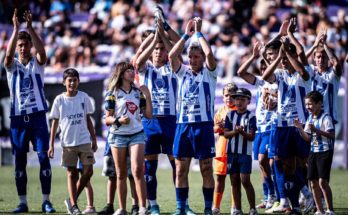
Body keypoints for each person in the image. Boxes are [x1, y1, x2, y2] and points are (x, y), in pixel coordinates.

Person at [4, 9, 55, 213]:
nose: (23, 48)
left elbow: (42, 53)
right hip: (17, 119)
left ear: (30, 46)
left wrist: (31, 28)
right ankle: (23, 202)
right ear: (17, 47)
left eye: (26, 45)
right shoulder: (11, 66)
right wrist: (16, 29)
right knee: (19, 162)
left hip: (38, 118)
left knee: (43, 157)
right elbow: (8, 56)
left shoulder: (37, 64)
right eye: (20, 45)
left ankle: (46, 201)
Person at [168, 17, 216, 215]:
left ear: (202, 59)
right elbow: (172, 55)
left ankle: (207, 208)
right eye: (190, 57)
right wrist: (186, 35)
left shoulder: (210, 74)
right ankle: (181, 208)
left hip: (203, 125)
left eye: (196, 57)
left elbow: (210, 53)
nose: (192, 60)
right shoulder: (182, 73)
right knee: (181, 169)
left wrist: (198, 34)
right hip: (183, 125)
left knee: (206, 168)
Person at [134, 16, 180, 215]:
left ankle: (181, 205)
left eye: (162, 49)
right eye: (155, 49)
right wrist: (155, 37)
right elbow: (137, 60)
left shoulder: (173, 67)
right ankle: (152, 205)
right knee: (149, 168)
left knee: (177, 166)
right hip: (150, 121)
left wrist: (163, 32)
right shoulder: (146, 69)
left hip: (171, 121)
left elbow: (178, 47)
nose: (158, 52)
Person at [262, 36, 311, 215]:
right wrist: (278, 57)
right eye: (282, 59)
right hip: (283, 126)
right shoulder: (280, 75)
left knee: (304, 164)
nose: (283, 62)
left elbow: (304, 73)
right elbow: (266, 76)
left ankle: (313, 195)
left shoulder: (303, 73)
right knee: (287, 166)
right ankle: (295, 205)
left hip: (300, 124)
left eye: (285, 59)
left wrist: (287, 53)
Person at [104, 62, 152, 215]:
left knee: (138, 170)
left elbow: (148, 115)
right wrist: (119, 120)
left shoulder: (138, 92)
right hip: (118, 136)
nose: (132, 72)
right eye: (128, 70)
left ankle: (143, 208)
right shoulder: (113, 93)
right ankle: (122, 208)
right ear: (121, 74)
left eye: (132, 70)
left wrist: (148, 96)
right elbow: (107, 119)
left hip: (137, 134)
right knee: (121, 174)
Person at [48, 68, 98, 215]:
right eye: (69, 80)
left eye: (75, 80)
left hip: (84, 141)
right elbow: (54, 123)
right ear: (64, 82)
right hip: (68, 143)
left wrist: (94, 138)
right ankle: (74, 206)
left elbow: (88, 119)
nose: (72, 83)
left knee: (88, 171)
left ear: (78, 81)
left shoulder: (84, 97)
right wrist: (51, 145)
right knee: (72, 174)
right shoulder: (59, 100)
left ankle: (71, 199)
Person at [237, 42, 277, 211]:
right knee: (262, 165)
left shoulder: (276, 83)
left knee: (268, 162)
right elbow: (241, 72)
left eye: (265, 67)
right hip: (260, 128)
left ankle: (280, 196)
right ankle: (268, 197)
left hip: (272, 127)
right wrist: (254, 56)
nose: (263, 71)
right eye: (261, 68)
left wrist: (264, 55)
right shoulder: (261, 83)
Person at [294, 91, 336, 215]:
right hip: (313, 152)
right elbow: (307, 138)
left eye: (310, 104)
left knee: (323, 182)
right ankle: (319, 210)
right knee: (312, 182)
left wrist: (317, 130)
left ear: (319, 104)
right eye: (306, 104)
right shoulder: (309, 118)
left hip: (325, 152)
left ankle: (330, 210)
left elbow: (332, 135)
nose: (308, 107)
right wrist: (300, 128)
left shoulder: (326, 117)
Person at [223, 88, 258, 215]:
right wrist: (236, 131)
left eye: (242, 99)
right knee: (234, 181)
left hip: (245, 153)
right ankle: (237, 209)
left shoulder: (252, 116)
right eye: (237, 98)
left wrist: (242, 132)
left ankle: (253, 208)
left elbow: (252, 137)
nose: (239, 102)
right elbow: (226, 134)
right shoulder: (229, 115)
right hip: (232, 153)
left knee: (245, 180)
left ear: (248, 101)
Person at [211, 83, 238, 215]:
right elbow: (214, 128)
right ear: (223, 96)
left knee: (234, 178)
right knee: (219, 179)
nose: (229, 98)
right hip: (221, 150)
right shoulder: (220, 111)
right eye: (227, 95)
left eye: (232, 95)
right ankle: (215, 207)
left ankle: (234, 207)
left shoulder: (239, 111)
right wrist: (219, 127)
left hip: (235, 149)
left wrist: (228, 126)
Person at [98, 140, 139, 215]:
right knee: (112, 175)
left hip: (132, 139)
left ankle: (135, 207)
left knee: (132, 176)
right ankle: (109, 206)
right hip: (113, 141)